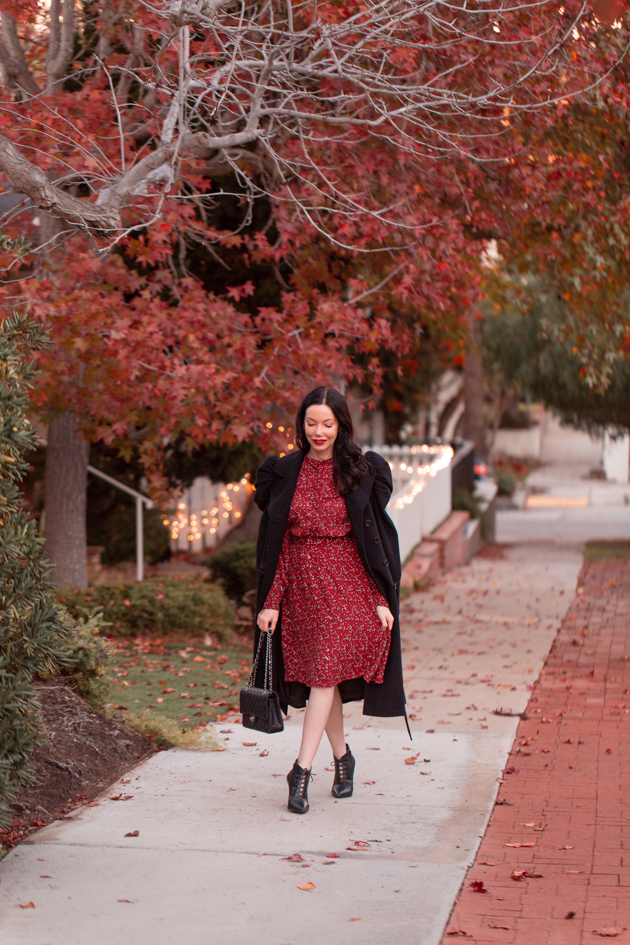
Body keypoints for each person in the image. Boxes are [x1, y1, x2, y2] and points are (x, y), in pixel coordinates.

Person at [252, 386, 407, 814]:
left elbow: (369, 543)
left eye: (327, 423)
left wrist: (380, 597)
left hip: (349, 586)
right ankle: (343, 758)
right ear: (302, 425)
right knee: (327, 678)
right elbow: (278, 544)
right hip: (302, 590)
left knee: (323, 675)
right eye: (311, 422)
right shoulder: (285, 472)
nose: (319, 431)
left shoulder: (360, 471)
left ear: (341, 425)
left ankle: (299, 772)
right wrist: (271, 601)